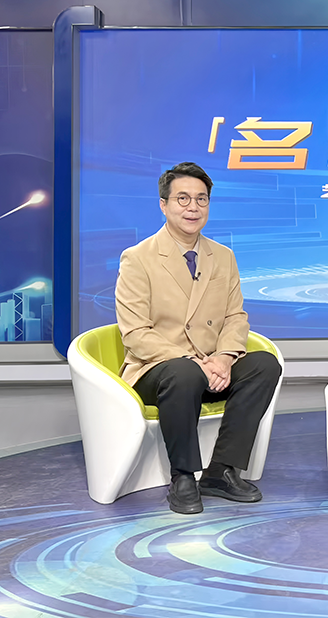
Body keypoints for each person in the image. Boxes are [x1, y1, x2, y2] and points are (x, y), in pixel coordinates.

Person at [115, 162, 282, 514]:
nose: (193, 207)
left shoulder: (222, 256)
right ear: (163, 205)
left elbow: (235, 316)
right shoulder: (138, 258)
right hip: (158, 370)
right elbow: (135, 333)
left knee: (264, 365)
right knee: (184, 372)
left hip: (211, 367)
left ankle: (221, 471)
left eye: (201, 199)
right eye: (183, 199)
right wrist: (193, 361)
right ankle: (183, 476)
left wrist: (224, 358)